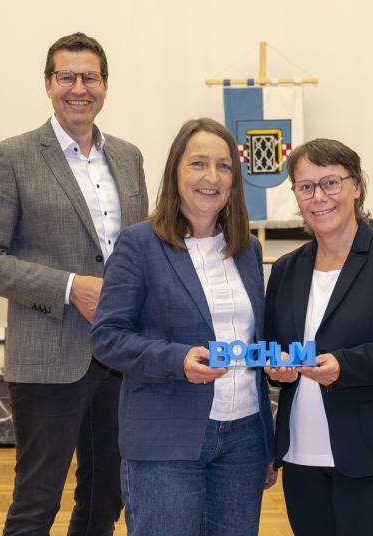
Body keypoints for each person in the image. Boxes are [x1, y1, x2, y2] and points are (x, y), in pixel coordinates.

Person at [0, 32, 148, 535]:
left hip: (120, 358)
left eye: (89, 77)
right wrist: (71, 287)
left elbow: (142, 253)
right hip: (47, 358)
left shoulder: (129, 157)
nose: (78, 88)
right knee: (36, 503)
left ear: (105, 85)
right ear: (48, 83)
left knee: (104, 499)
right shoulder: (13, 156)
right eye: (66, 76)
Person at [90, 117, 275, 536]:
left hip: (244, 437)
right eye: (198, 164)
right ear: (175, 172)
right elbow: (107, 337)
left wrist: (266, 434)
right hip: (165, 438)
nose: (212, 176)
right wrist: (178, 358)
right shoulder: (139, 244)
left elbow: (253, 341)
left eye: (224, 166)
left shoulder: (248, 250)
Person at [264, 138, 373, 536]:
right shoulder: (287, 269)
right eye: (305, 187)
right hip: (300, 451)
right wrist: (278, 369)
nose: (318, 197)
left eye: (330, 183)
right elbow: (277, 349)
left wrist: (345, 365)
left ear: (356, 186)